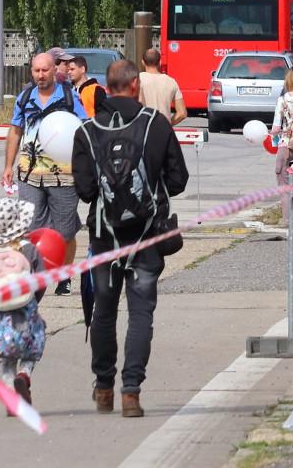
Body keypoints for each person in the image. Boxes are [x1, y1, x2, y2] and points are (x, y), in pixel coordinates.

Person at [73, 59, 187, 418]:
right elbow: (178, 179)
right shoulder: (157, 125)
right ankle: (131, 393)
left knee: (104, 312)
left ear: (106, 88)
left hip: (104, 238)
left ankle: (103, 388)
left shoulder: (87, 131)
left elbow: (86, 191)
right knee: (141, 314)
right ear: (136, 85)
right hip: (148, 236)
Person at [0, 51, 86, 295]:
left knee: (65, 230)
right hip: (29, 175)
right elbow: (15, 131)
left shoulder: (69, 96)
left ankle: (65, 277)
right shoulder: (25, 96)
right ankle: (36, 275)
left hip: (64, 176)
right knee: (30, 229)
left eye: (45, 70)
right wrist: (8, 165)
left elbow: (83, 130)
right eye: (36, 71)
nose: (40, 75)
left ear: (54, 70)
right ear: (32, 71)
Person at [0, 197, 49, 412]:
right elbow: (42, 279)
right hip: (27, 310)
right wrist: (34, 301)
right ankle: (24, 375)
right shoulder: (29, 250)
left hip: (0, 313)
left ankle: (10, 394)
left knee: (7, 356)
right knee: (31, 348)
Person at [136, 48, 187, 127]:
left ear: (143, 62)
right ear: (160, 62)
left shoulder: (137, 79)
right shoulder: (171, 82)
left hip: (144, 129)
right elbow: (182, 113)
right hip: (163, 131)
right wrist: (167, 124)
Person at [60, 51, 105, 120]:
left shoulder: (97, 89)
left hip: (90, 128)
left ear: (82, 69)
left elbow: (103, 115)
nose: (69, 72)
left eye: (72, 69)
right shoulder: (67, 90)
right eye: (68, 70)